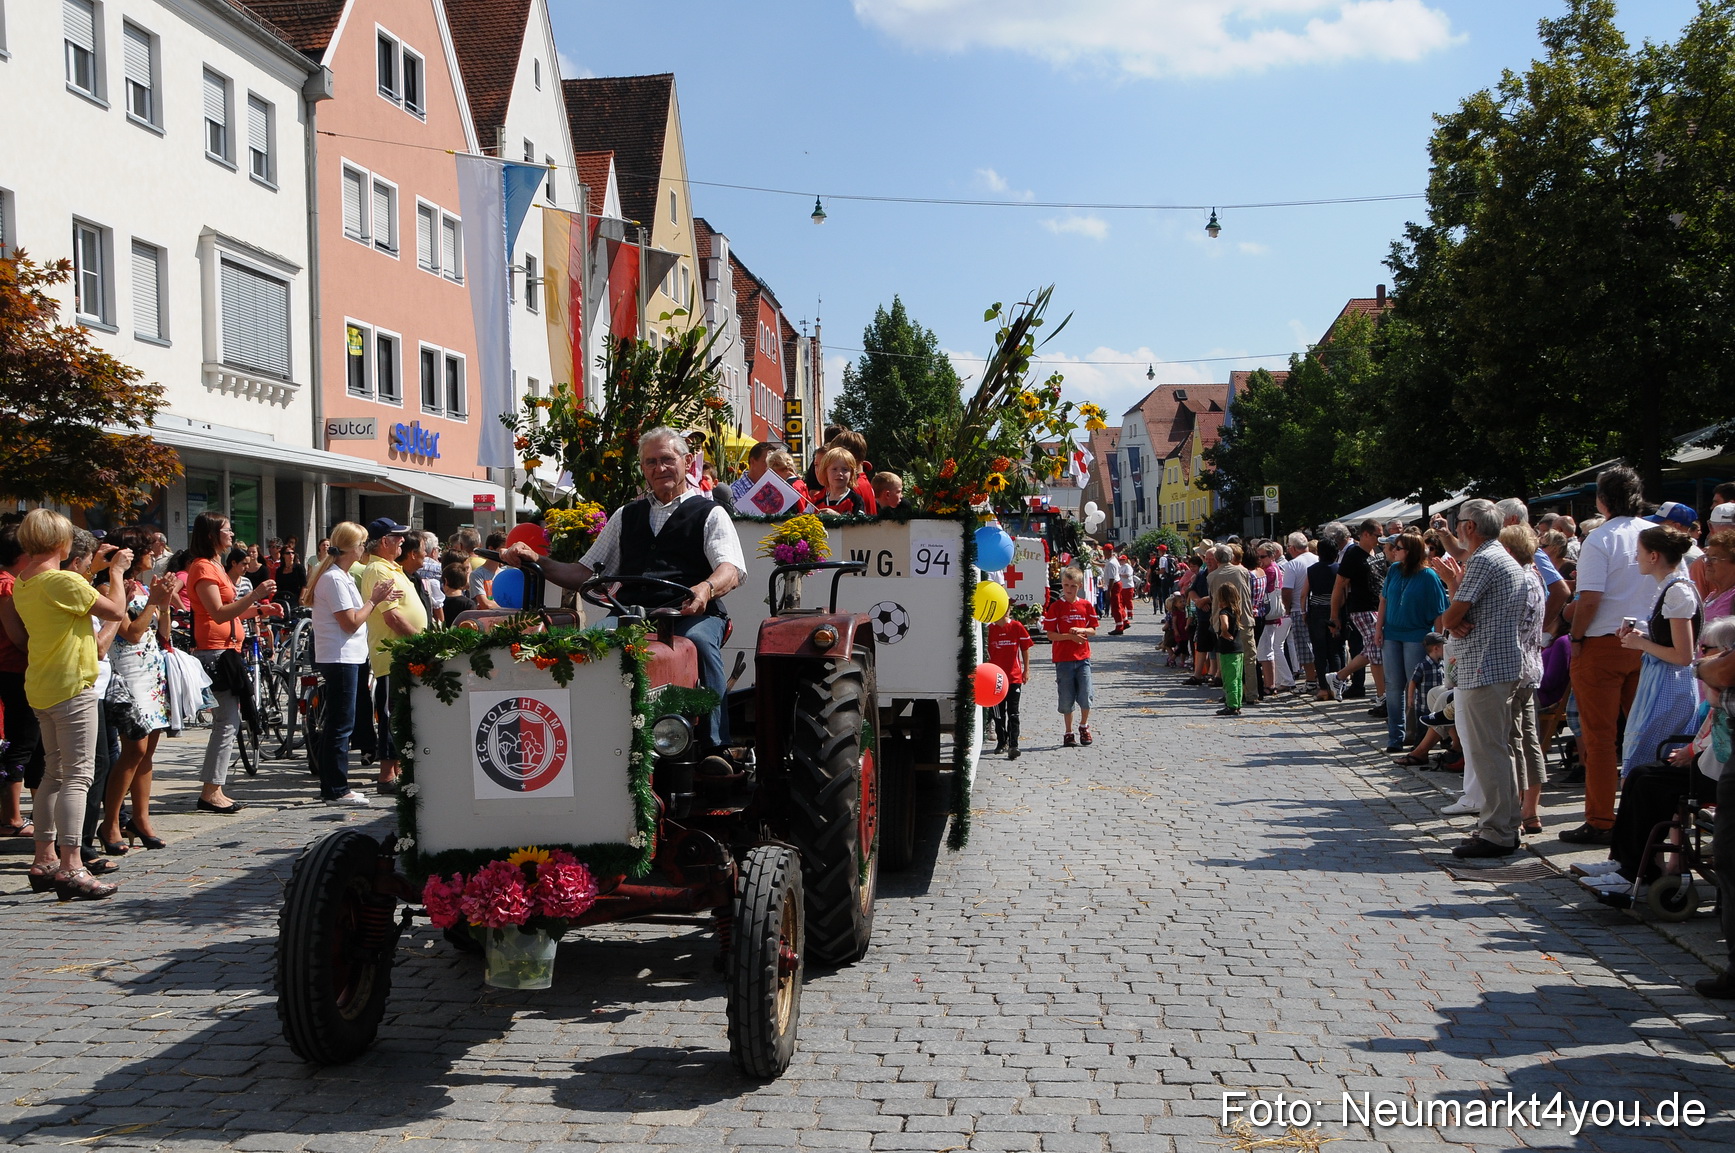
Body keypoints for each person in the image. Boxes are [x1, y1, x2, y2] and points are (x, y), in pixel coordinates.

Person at [501, 427, 747, 747]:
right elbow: (582, 573)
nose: (659, 468)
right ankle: (581, 738)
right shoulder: (626, 515)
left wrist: (705, 589)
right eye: (650, 462)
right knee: (586, 644)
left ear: (687, 461)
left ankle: (716, 745)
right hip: (634, 613)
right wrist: (537, 559)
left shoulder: (710, 513)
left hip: (692, 612)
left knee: (699, 643)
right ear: (642, 468)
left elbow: (731, 568)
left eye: (667, 460)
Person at [12, 510, 132, 899]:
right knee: (78, 776)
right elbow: (115, 611)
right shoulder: (60, 580)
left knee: (54, 774)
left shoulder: (24, 582)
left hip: (43, 685)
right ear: (60, 543)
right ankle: (71, 864)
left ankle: (45, 858)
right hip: (71, 684)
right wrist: (116, 574)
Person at [1564, 466, 1653, 844]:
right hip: (1649, 643)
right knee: (1645, 734)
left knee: (1600, 738)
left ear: (1602, 500)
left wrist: (1576, 635)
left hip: (1603, 643)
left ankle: (1601, 818)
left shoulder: (1600, 539)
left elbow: (1590, 598)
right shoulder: (1654, 534)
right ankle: (1645, 816)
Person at [1440, 498, 1529, 858]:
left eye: (1458, 521)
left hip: (1484, 667)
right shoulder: (1501, 556)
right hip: (1498, 664)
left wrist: (1452, 618)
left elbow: (1451, 615)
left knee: (1487, 752)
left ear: (1470, 527)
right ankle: (1506, 823)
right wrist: (1455, 618)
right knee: (1498, 749)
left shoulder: (1482, 559)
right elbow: (1458, 614)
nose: (1456, 526)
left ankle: (1496, 832)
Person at [186, 512, 280, 814]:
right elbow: (218, 612)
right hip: (215, 653)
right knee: (226, 722)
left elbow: (233, 612)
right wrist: (256, 594)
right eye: (226, 530)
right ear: (213, 535)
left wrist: (261, 612)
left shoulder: (215, 566)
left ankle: (215, 788)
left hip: (227, 650)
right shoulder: (202, 567)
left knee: (229, 722)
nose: (231, 534)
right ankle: (211, 790)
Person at [304, 521, 402, 806]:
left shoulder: (340, 576)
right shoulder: (334, 578)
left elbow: (355, 614)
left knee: (341, 722)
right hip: (340, 656)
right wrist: (374, 600)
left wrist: (378, 599)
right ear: (351, 547)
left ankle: (335, 786)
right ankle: (335, 788)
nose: (364, 549)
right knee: (340, 725)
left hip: (348, 656)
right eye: (362, 544)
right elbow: (349, 623)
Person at [96, 529, 179, 853]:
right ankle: (111, 821)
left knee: (146, 753)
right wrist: (153, 604)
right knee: (133, 750)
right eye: (147, 549)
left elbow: (163, 630)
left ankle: (142, 819)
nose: (153, 555)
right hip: (128, 673)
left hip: (151, 672)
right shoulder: (108, 587)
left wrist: (165, 603)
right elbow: (130, 633)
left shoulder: (143, 586)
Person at [1617, 523, 1701, 774]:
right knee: (1649, 756)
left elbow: (1683, 656)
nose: (1636, 557)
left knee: (1652, 757)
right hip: (1664, 681)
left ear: (1654, 556)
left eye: (1639, 552)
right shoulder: (1673, 588)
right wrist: (1643, 637)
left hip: (1670, 685)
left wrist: (1640, 643)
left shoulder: (1677, 592)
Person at [355, 518, 428, 794]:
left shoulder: (390, 567)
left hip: (402, 653)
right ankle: (386, 776)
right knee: (392, 714)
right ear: (384, 541)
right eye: (397, 537)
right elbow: (393, 617)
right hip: (393, 654)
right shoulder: (377, 569)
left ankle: (395, 772)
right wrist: (421, 641)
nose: (401, 541)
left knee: (400, 713)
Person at [1378, 533, 1449, 752]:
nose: (1393, 551)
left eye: (1397, 547)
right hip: (1392, 634)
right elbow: (1384, 600)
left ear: (1409, 551)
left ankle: (1418, 736)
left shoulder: (1428, 576)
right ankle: (1394, 737)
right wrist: (1378, 629)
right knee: (1392, 685)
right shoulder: (1393, 571)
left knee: (1415, 686)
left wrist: (1436, 642)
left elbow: (1439, 611)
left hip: (1416, 636)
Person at [0, 523, 40, 838]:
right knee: (21, 743)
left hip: (13, 670)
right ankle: (12, 818)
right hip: (13, 670)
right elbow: (17, 638)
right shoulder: (7, 586)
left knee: (25, 742)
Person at [1329, 520, 1385, 708]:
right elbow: (1339, 585)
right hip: (1362, 608)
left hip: (1378, 607)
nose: (1380, 538)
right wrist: (1334, 615)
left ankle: (1339, 677)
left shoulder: (1377, 552)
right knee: (1376, 650)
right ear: (1365, 534)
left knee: (1373, 649)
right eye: (1377, 535)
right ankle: (1381, 695)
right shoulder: (1353, 555)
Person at [1042, 565, 1098, 747]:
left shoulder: (1086, 605)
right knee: (1066, 698)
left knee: (1086, 695)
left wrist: (1082, 630)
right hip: (1063, 659)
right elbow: (1050, 634)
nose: (1069, 589)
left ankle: (1084, 725)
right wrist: (1070, 637)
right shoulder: (1056, 607)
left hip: (1083, 659)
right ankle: (1068, 732)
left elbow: (1093, 630)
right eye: (1066, 585)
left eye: (1073, 586)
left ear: (1079, 586)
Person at [986, 611, 1033, 759]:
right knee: (998, 713)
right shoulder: (989, 629)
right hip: (995, 679)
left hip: (1014, 677)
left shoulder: (1016, 626)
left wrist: (1026, 670)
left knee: (1013, 712)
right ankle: (1001, 741)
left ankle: (1014, 744)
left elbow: (1025, 648)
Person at [1306, 539, 1343, 702]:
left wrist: (1304, 611)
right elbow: (1344, 593)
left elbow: (1304, 593)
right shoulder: (1339, 569)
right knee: (1334, 650)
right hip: (1335, 610)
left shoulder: (1312, 569)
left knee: (1319, 651)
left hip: (1316, 611)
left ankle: (1322, 688)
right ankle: (1336, 688)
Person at [803, 446, 876, 515]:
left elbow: (860, 525)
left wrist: (837, 517)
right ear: (825, 472)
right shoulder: (817, 501)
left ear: (852, 473)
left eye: (845, 469)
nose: (839, 473)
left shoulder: (856, 500)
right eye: (834, 469)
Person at [1213, 582, 1248, 717]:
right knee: (1238, 677)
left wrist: (1225, 633)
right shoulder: (1236, 611)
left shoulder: (1224, 612)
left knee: (1229, 678)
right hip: (1238, 648)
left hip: (1228, 649)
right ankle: (1237, 703)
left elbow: (1224, 624)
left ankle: (1231, 705)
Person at [273, 544, 307, 612]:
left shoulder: (299, 568)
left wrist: (301, 598)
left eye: (292, 553)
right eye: (288, 553)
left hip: (296, 598)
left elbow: (304, 585)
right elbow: (278, 587)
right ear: (283, 555)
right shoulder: (279, 570)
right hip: (283, 598)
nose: (291, 555)